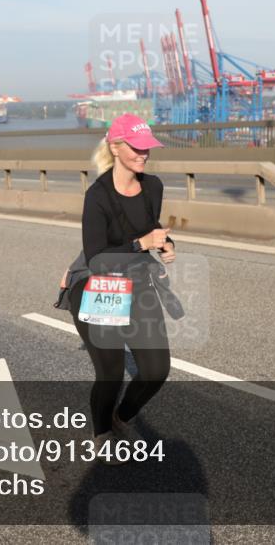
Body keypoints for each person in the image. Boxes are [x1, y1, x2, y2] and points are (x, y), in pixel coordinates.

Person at [67, 113, 177, 462]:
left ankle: (121, 416)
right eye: (136, 146)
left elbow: (149, 227)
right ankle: (101, 432)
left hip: (138, 283)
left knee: (157, 371)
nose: (143, 153)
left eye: (147, 147)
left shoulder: (154, 186)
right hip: (100, 287)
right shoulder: (97, 196)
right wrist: (141, 244)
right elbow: (98, 259)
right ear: (115, 147)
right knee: (111, 373)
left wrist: (165, 242)